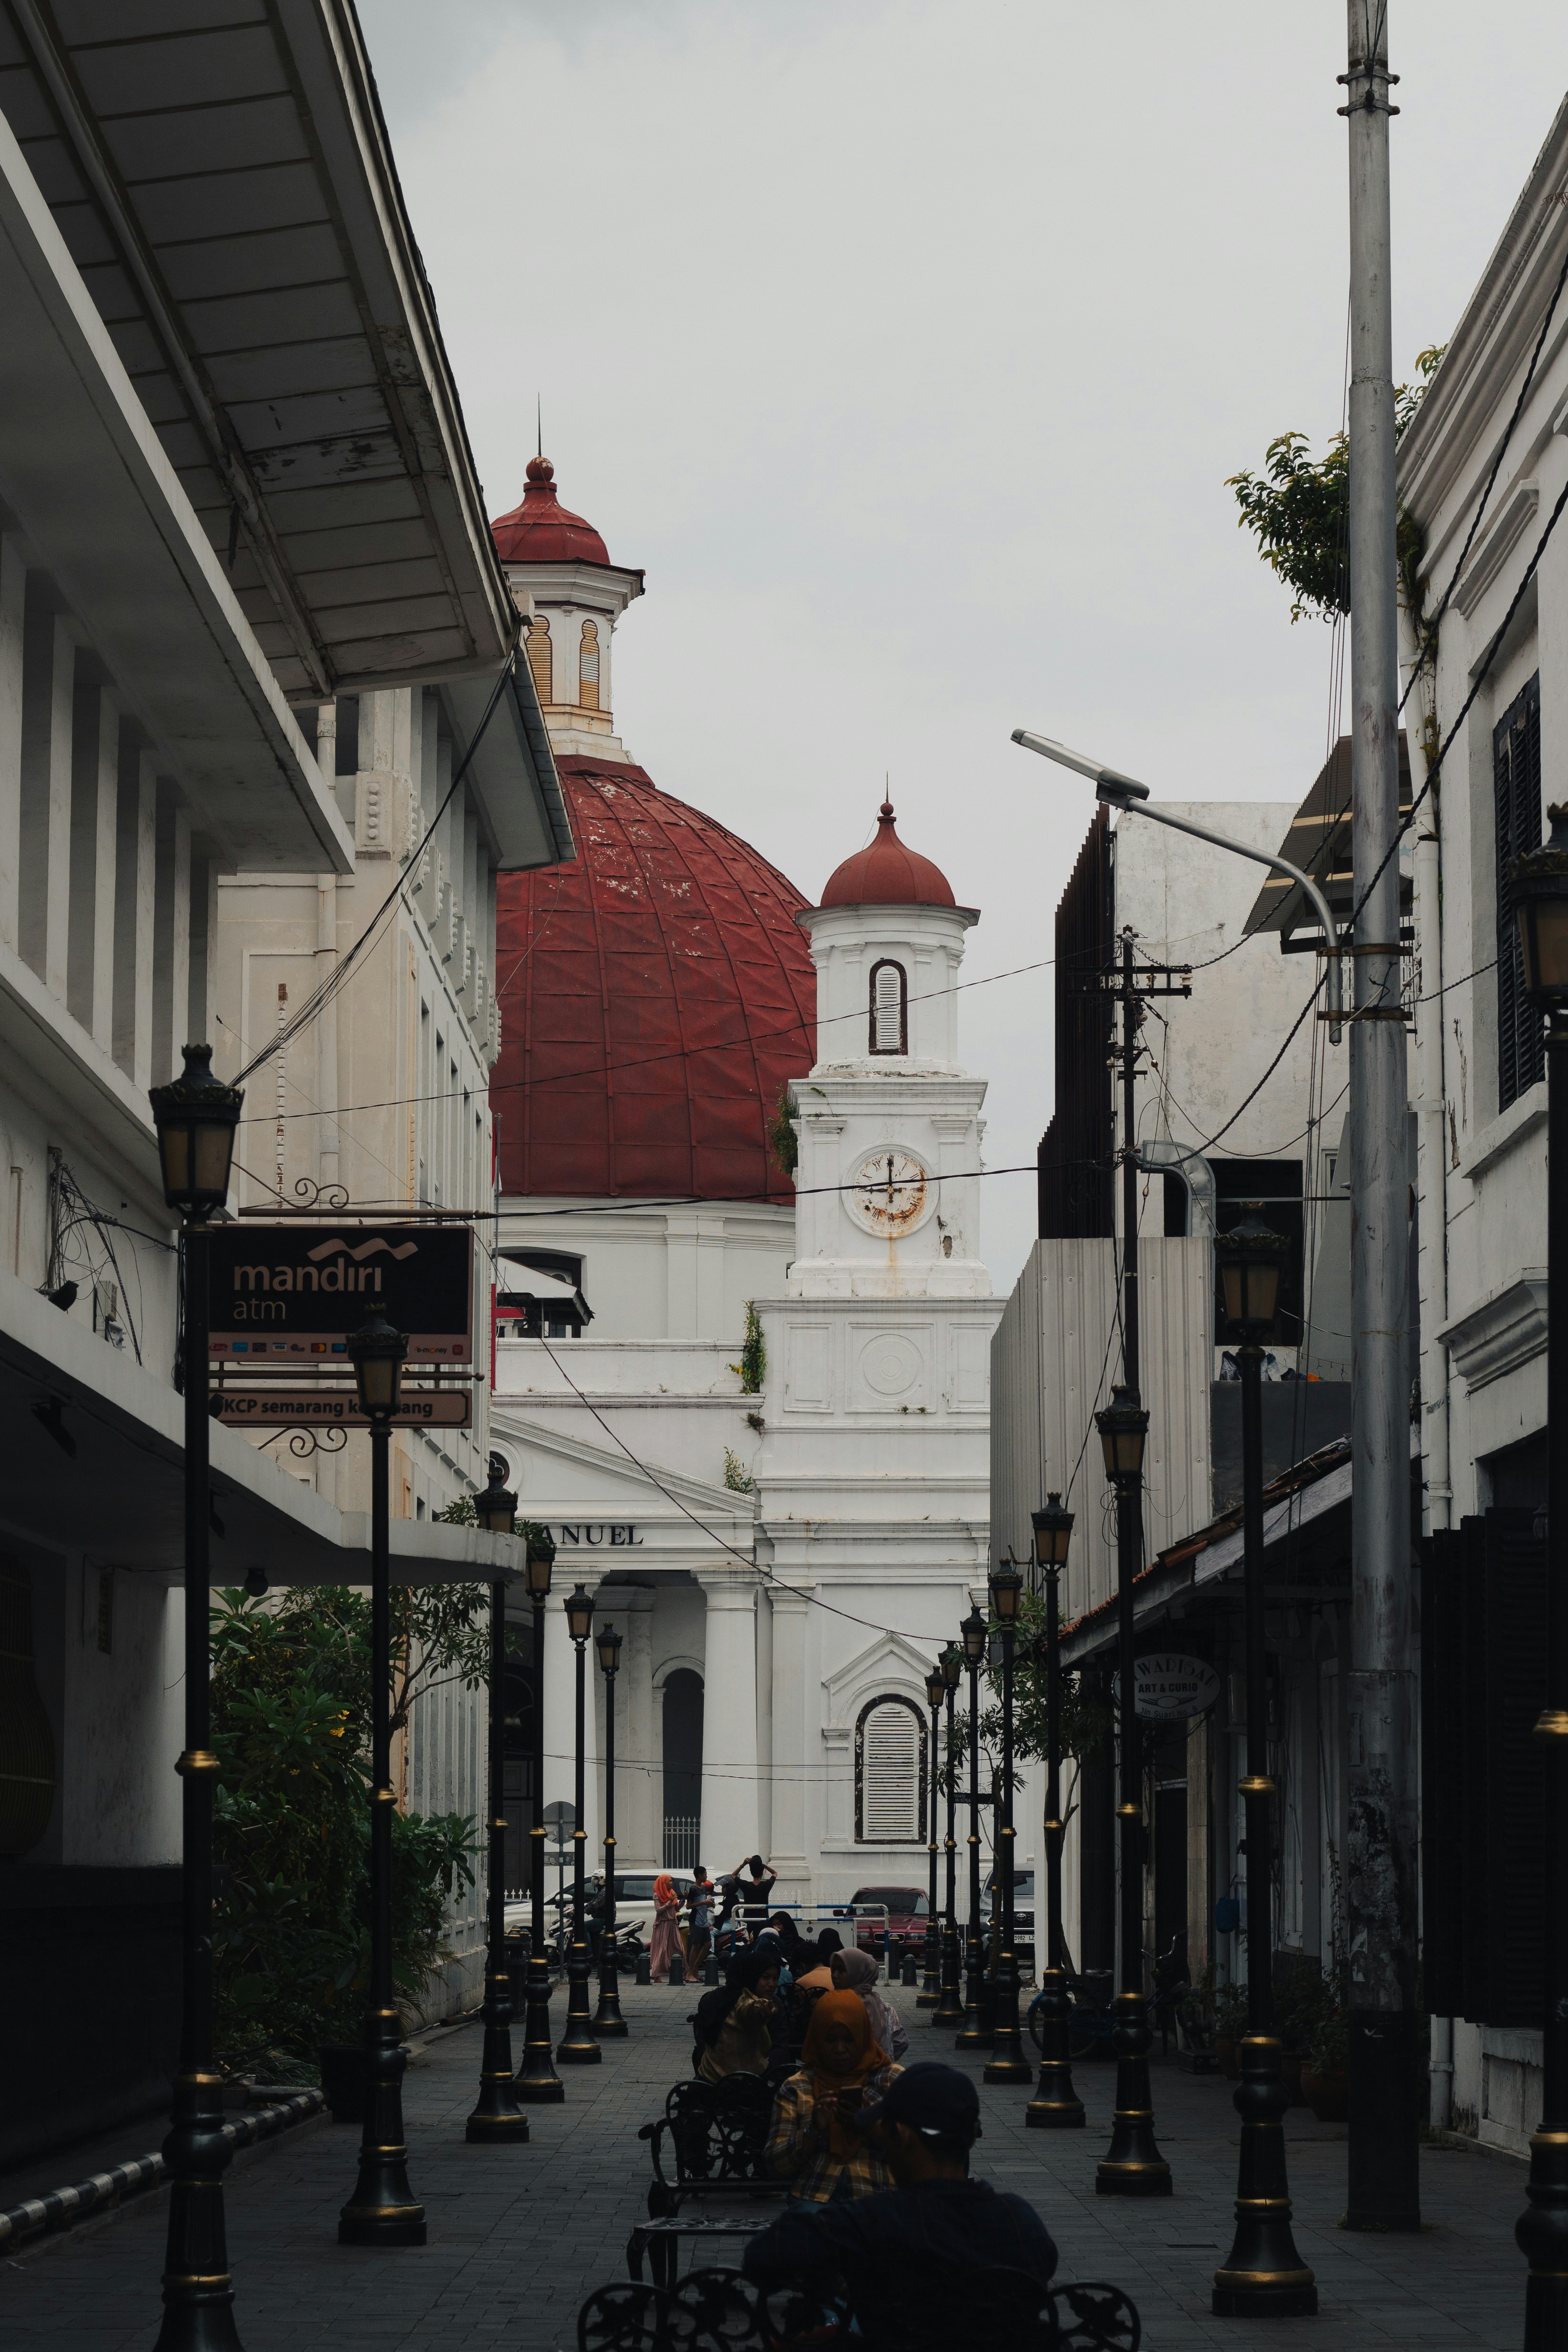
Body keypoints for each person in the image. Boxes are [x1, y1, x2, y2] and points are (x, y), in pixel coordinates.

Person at [744, 2062, 1058, 2290]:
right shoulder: (1020, 2219)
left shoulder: (875, 2220)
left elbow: (762, 2257)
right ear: (970, 2138)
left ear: (902, 2135)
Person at [765, 1987, 901, 2208]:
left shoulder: (892, 2081)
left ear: (863, 2035)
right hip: (816, 2196)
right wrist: (813, 2130)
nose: (840, 2049)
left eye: (849, 2039)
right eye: (830, 2040)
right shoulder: (798, 2087)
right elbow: (776, 2164)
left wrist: (869, 2125)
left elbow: (916, 2150)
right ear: (817, 2039)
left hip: (878, 2197)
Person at [692, 1946, 780, 2081]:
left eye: (775, 1978)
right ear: (752, 1977)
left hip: (711, 2078)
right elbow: (749, 2008)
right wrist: (762, 2010)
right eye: (765, 1977)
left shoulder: (717, 1998)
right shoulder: (745, 1999)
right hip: (733, 2084)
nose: (772, 1984)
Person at [832, 1944, 909, 2061]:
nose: (834, 1976)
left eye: (842, 1970)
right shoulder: (884, 2007)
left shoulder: (835, 2006)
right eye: (833, 1969)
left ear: (858, 1973)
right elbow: (901, 2042)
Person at [649, 1872, 683, 1983]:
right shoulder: (657, 1895)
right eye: (670, 1881)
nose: (672, 1883)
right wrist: (669, 1902)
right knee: (662, 1949)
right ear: (664, 1882)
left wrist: (683, 1900)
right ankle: (655, 1974)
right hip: (663, 1924)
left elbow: (677, 1908)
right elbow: (659, 1910)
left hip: (673, 1924)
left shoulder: (672, 1893)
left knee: (679, 1948)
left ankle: (680, 1971)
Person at [685, 1865, 713, 1975]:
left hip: (704, 1921)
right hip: (696, 1920)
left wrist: (710, 1904)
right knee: (696, 1945)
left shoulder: (704, 1888)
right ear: (700, 1876)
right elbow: (689, 1906)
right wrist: (703, 1903)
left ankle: (696, 1967)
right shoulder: (693, 1889)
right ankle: (690, 1972)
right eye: (705, 1874)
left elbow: (704, 1903)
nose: (706, 1876)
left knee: (708, 1945)